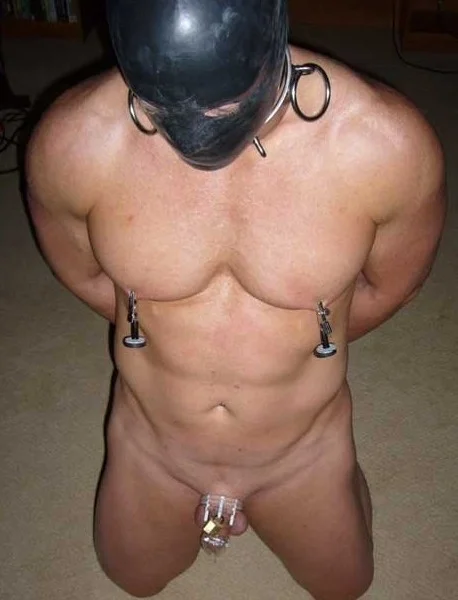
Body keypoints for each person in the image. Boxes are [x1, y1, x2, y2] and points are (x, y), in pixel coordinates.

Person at [25, 1, 446, 599]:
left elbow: (390, 289)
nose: (201, 134)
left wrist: (290, 356)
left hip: (300, 448)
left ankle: (334, 476)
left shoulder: (386, 146)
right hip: (154, 442)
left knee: (347, 587)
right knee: (132, 579)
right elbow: (87, 277)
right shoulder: (73, 142)